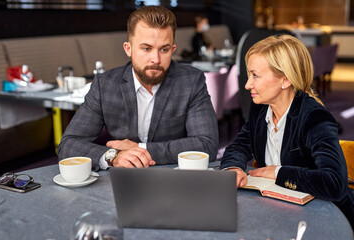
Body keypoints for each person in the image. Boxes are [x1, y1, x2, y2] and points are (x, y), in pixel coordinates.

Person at [57, 6, 218, 170]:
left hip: (174, 181)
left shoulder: (191, 81)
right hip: (122, 182)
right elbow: (68, 145)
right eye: (146, 48)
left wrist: (141, 150)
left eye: (164, 49)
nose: (155, 59)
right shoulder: (104, 85)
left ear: (172, 50)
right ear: (128, 49)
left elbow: (207, 144)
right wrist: (113, 156)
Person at [220, 34, 354, 228]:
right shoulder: (260, 107)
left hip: (326, 218)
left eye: (255, 75)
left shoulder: (314, 117)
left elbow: (334, 183)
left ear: (285, 80)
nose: (248, 85)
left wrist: (279, 173)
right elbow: (240, 145)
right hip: (280, 209)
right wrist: (233, 167)